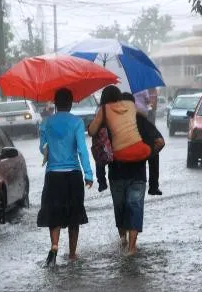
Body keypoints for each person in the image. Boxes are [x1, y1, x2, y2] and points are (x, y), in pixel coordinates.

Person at [37, 88, 93, 267]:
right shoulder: (77, 122)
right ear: (71, 103)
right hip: (73, 174)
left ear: (55, 103)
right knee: (74, 214)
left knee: (53, 212)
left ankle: (54, 246)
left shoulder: (46, 123)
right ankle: (72, 254)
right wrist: (89, 174)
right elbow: (82, 150)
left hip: (53, 175)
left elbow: (42, 148)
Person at [108, 98, 165, 255]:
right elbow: (160, 142)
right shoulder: (141, 120)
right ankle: (131, 248)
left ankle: (124, 241)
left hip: (116, 174)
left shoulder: (112, 119)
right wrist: (147, 154)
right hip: (137, 175)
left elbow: (102, 146)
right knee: (135, 208)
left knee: (120, 209)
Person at [88, 85, 151, 163]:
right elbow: (144, 114)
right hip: (141, 150)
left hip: (120, 154)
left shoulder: (104, 109)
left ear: (104, 98)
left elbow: (91, 131)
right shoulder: (130, 104)